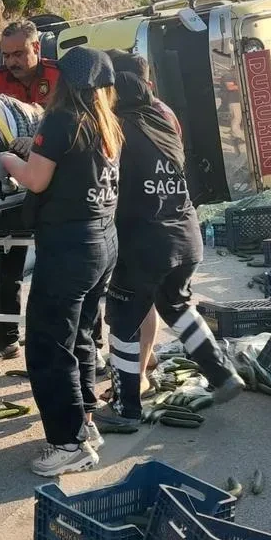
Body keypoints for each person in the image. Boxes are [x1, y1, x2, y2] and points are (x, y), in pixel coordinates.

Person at [93, 51, 243, 431]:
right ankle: (222, 374)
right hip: (186, 233)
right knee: (176, 303)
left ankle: (125, 409)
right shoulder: (162, 117)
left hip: (145, 239)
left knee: (123, 321)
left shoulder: (114, 125)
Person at [0, 46, 122, 477]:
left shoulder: (63, 119)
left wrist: (7, 159)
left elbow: (35, 179)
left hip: (69, 248)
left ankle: (68, 444)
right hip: (103, 240)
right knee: (80, 337)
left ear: (65, 80)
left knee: (49, 345)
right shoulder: (107, 124)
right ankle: (84, 421)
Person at [0, 20, 63, 364]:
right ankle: (6, 339)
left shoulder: (60, 77)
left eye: (18, 54)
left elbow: (77, 121)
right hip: (13, 186)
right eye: (6, 54)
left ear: (36, 48)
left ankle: (62, 342)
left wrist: (38, 140)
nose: (11, 61)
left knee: (60, 269)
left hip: (55, 186)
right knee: (7, 266)